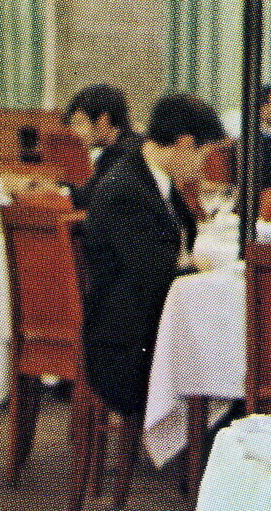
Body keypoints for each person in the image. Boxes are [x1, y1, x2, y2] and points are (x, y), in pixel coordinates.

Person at [80, 91, 225, 418]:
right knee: (236, 356)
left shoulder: (150, 177)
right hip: (127, 348)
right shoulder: (127, 190)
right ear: (185, 144)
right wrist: (200, 269)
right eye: (204, 155)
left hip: (150, 325)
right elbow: (155, 274)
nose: (203, 167)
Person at [63, 83, 137, 211]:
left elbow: (88, 200)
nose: (75, 132)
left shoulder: (121, 154)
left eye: (80, 123)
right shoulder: (129, 145)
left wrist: (57, 189)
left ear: (103, 120)